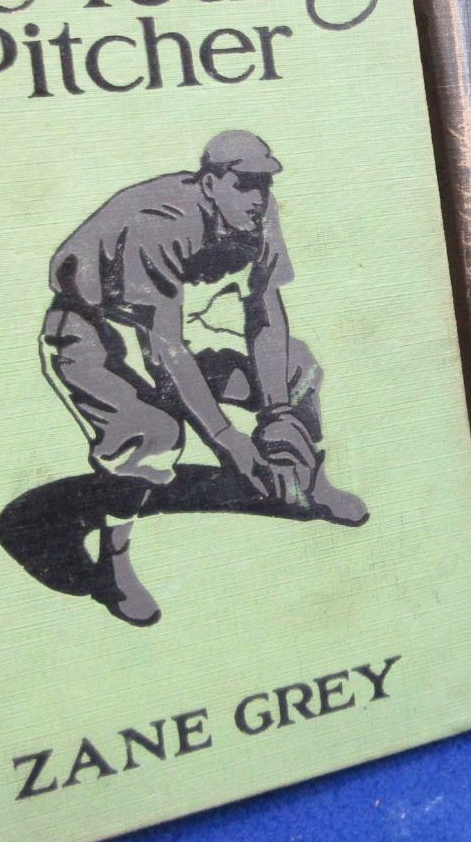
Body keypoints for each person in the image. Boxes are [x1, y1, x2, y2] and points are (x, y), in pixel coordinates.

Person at [40, 130, 367, 626]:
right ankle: (114, 563)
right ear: (211, 183)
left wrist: (278, 413)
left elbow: (265, 313)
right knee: (153, 433)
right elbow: (164, 351)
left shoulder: (258, 211)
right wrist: (226, 439)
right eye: (244, 183)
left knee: (295, 366)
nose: (257, 196)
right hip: (92, 331)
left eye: (263, 183)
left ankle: (308, 483)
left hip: (171, 329)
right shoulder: (159, 220)